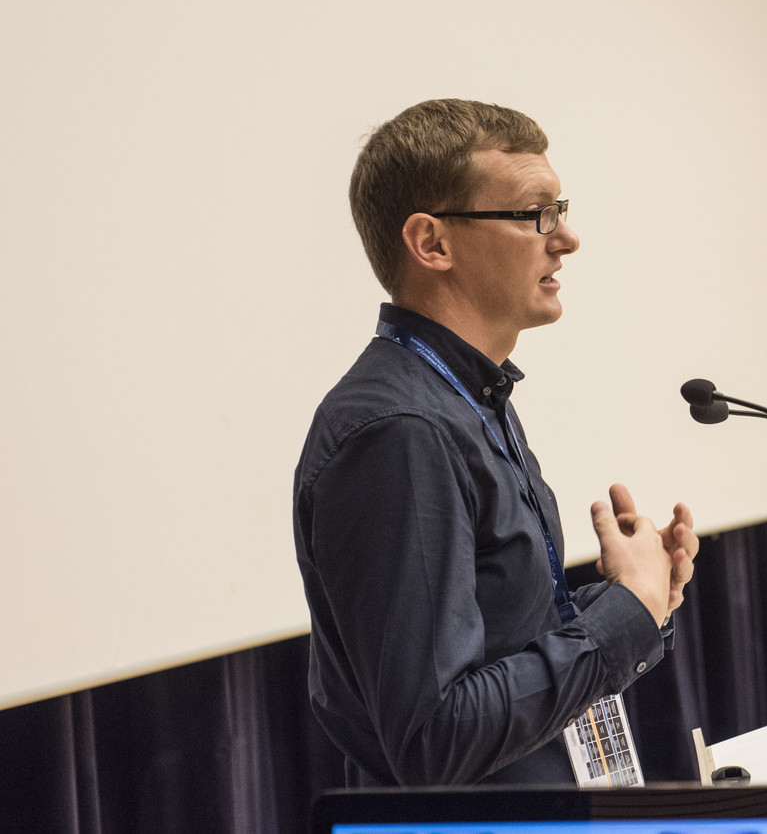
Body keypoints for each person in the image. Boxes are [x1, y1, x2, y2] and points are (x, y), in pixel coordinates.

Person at [292, 98, 697, 786]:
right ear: (432, 244)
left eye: (560, 210)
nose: (566, 239)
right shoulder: (401, 432)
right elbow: (436, 738)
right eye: (535, 213)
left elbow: (507, 646)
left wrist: (638, 597)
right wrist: (626, 614)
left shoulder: (467, 396)